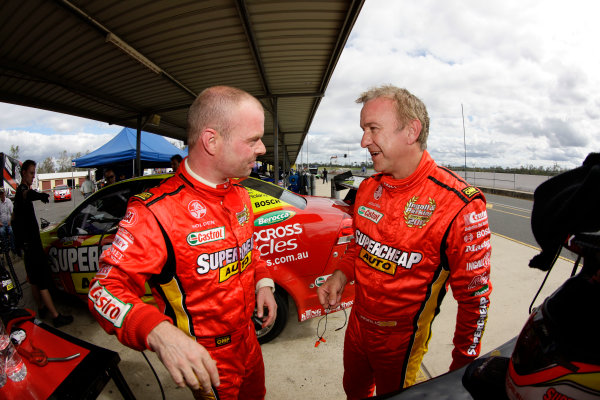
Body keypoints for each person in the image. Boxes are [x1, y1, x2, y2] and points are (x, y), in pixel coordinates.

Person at [88, 86, 277, 399]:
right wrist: (158, 332)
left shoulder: (239, 193)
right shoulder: (155, 211)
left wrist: (264, 283)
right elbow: (102, 291)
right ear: (211, 141)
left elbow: (248, 249)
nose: (261, 149)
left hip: (249, 341)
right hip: (209, 359)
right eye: (252, 139)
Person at [317, 85, 492, 398]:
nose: (363, 141)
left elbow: (474, 298)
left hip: (401, 340)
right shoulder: (369, 188)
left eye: (373, 129)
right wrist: (340, 275)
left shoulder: (458, 203)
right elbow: (359, 247)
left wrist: (462, 365)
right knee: (353, 390)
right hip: (357, 326)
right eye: (362, 130)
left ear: (412, 131)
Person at [13, 160, 73, 327]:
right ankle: (55, 316)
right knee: (42, 280)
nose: (33, 176)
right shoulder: (22, 191)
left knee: (33, 278)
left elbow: (14, 219)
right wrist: (39, 195)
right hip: (32, 245)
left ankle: (40, 308)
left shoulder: (21, 194)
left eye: (34, 173)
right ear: (23, 172)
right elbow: (27, 195)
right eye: (31, 173)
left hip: (27, 244)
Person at [0, 188, 17, 255]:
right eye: (0, 194)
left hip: (9, 222)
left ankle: (13, 248)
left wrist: (10, 221)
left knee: (11, 232)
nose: (2, 195)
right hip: (2, 223)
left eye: (2, 193)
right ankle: (6, 248)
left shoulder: (9, 201)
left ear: (4, 193)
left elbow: (12, 213)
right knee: (1, 232)